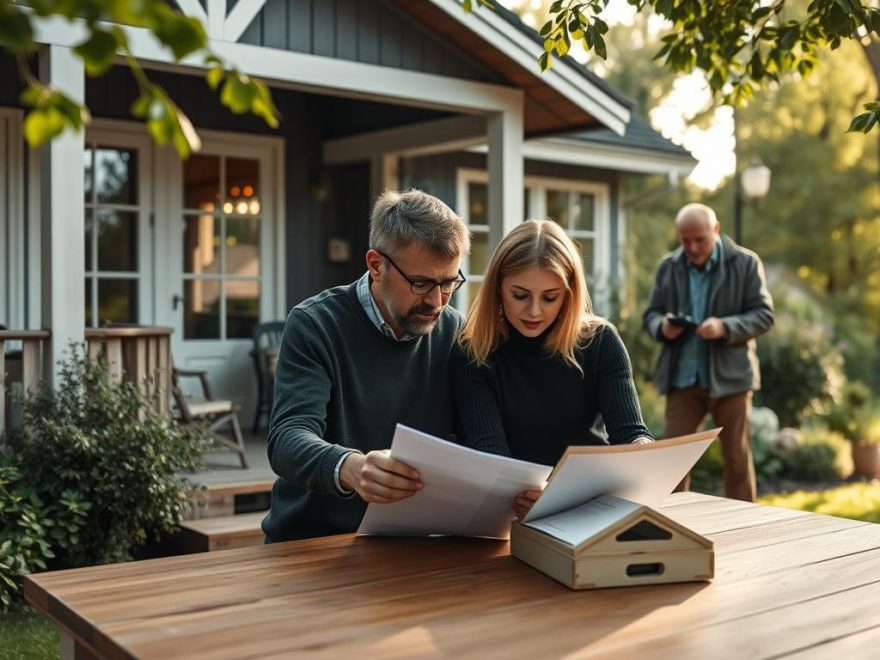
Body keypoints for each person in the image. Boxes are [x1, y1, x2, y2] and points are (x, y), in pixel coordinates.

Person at [262, 189, 470, 541]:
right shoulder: (316, 324)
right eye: (420, 283)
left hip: (414, 544)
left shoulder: (455, 331)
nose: (437, 301)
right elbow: (286, 439)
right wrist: (351, 467)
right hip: (311, 544)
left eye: (448, 283)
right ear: (376, 265)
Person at [453, 219, 653, 519]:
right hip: (513, 515)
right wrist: (535, 494)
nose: (534, 311)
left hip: (594, 508)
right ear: (497, 288)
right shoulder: (473, 351)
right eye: (520, 295)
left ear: (569, 293)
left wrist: (643, 449)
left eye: (550, 297)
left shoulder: (600, 342)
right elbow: (490, 451)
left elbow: (631, 434)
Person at [643, 202, 774, 502]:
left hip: (731, 380)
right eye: (685, 240)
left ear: (716, 229)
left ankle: (744, 529)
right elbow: (650, 315)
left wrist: (725, 327)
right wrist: (662, 326)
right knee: (671, 464)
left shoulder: (746, 263)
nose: (692, 247)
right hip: (682, 379)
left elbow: (764, 316)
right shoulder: (668, 266)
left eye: (699, 239)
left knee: (737, 461)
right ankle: (672, 530)